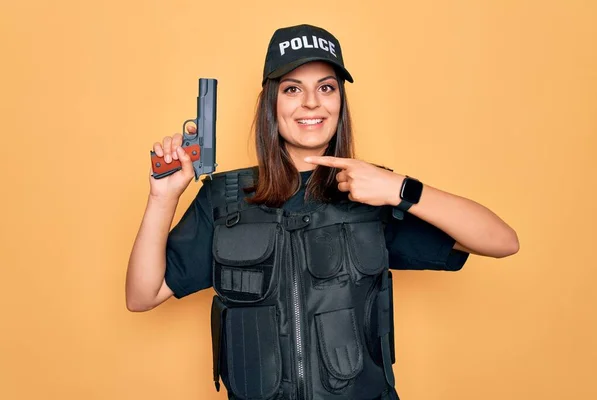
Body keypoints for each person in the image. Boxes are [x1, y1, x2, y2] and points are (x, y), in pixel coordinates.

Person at [126, 24, 519, 400]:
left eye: (326, 88)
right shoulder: (225, 199)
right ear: (271, 104)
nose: (311, 103)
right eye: (293, 88)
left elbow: (502, 242)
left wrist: (400, 188)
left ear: (339, 103)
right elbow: (142, 295)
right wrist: (163, 198)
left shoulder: (373, 193)